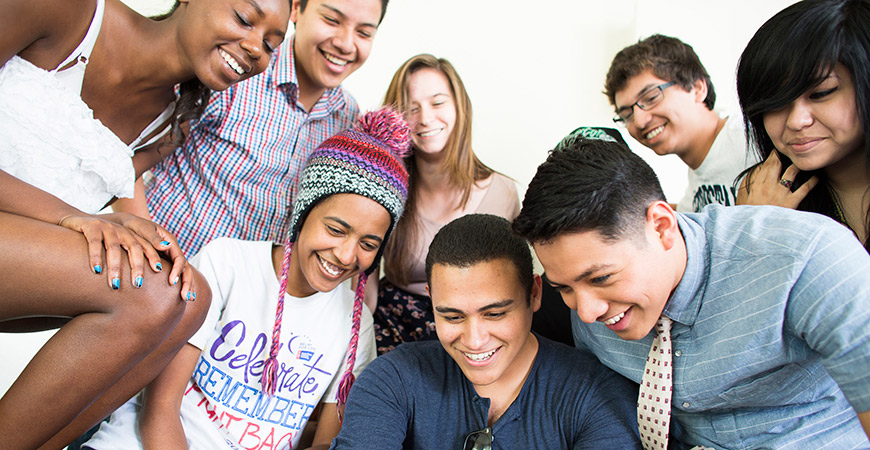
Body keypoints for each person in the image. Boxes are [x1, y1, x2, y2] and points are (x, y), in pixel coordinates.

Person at [0, 0, 291, 446]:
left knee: (189, 297)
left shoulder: (173, 122)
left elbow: (113, 194)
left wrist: (142, 231)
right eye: (244, 19)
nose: (255, 47)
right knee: (153, 292)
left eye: (272, 44)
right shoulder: (68, 11)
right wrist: (69, 217)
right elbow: (64, 209)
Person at [512, 136, 870, 449]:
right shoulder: (593, 307)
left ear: (662, 227)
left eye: (602, 278)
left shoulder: (804, 258)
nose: (586, 312)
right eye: (564, 288)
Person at [84, 108, 411, 450]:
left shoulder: (357, 325)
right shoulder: (226, 263)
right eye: (334, 229)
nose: (346, 255)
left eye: (368, 244)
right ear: (304, 212)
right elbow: (160, 408)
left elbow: (328, 444)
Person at [331, 214, 642, 449]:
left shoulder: (598, 395)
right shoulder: (392, 379)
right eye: (452, 316)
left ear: (534, 294)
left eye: (494, 314)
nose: (474, 339)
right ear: (431, 298)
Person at [115, 0, 391, 257]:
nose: (345, 43)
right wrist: (147, 248)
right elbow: (127, 150)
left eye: (364, 33)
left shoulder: (349, 121)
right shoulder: (237, 64)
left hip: (240, 300)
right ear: (296, 9)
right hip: (163, 266)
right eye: (331, 19)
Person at [372, 54, 520, 355]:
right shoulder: (385, 190)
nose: (425, 118)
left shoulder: (502, 192)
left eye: (437, 103)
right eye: (412, 109)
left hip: (475, 335)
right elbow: (365, 290)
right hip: (393, 327)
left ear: (459, 106)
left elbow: (517, 289)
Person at [736, 0, 870, 252]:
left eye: (821, 93)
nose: (797, 121)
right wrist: (757, 229)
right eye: (776, 103)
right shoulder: (761, 196)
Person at [605, 34, 757, 212]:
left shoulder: (750, 143)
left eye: (651, 97)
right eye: (627, 114)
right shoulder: (698, 177)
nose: (639, 121)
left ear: (697, 88)